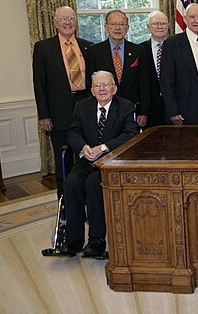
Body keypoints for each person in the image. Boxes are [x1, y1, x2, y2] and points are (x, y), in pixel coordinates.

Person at [59, 70, 139, 257]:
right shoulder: (81, 106)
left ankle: (96, 241)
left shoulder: (126, 106)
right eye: (97, 86)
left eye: (106, 85)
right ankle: (74, 241)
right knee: (71, 183)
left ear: (114, 89)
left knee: (94, 183)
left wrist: (103, 148)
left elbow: (130, 135)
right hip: (87, 159)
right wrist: (83, 147)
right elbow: (73, 132)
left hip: (112, 161)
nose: (102, 89)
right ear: (92, 90)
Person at [32, 6, 92, 198]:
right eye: (63, 19)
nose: (67, 22)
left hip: (86, 108)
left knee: (87, 156)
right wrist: (44, 115)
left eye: (71, 18)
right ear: (55, 22)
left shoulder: (88, 46)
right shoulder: (43, 48)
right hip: (58, 112)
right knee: (63, 159)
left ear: (76, 21)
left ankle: (86, 198)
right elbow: (39, 84)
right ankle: (65, 202)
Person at [85, 9, 149, 127]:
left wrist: (143, 112)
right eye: (113, 24)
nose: (118, 28)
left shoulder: (138, 51)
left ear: (128, 28)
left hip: (132, 111)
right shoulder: (94, 51)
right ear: (106, 27)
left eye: (122, 24)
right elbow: (90, 84)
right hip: (104, 111)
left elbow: (144, 84)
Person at [160, 3, 198, 125]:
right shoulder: (172, 44)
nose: (197, 20)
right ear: (185, 19)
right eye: (192, 17)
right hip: (185, 108)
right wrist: (173, 110)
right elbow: (166, 81)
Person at [140, 11, 169, 127]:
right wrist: (142, 110)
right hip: (150, 109)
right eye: (155, 23)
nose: (160, 26)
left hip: (176, 108)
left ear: (168, 26)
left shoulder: (177, 47)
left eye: (163, 23)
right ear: (148, 27)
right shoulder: (140, 49)